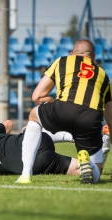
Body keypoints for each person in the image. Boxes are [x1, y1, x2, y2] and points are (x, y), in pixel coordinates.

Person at [15, 38, 112, 184]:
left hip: (63, 109)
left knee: (34, 116)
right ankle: (88, 163)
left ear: (72, 54)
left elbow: (37, 96)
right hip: (91, 118)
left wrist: (52, 102)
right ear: (93, 57)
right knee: (96, 175)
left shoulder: (62, 61)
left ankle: (25, 174)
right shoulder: (104, 76)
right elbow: (110, 120)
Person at [0, 120, 89, 179]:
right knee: (26, 129)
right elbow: (9, 123)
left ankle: (90, 165)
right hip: (36, 142)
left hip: (38, 163)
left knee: (79, 169)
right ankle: (74, 137)